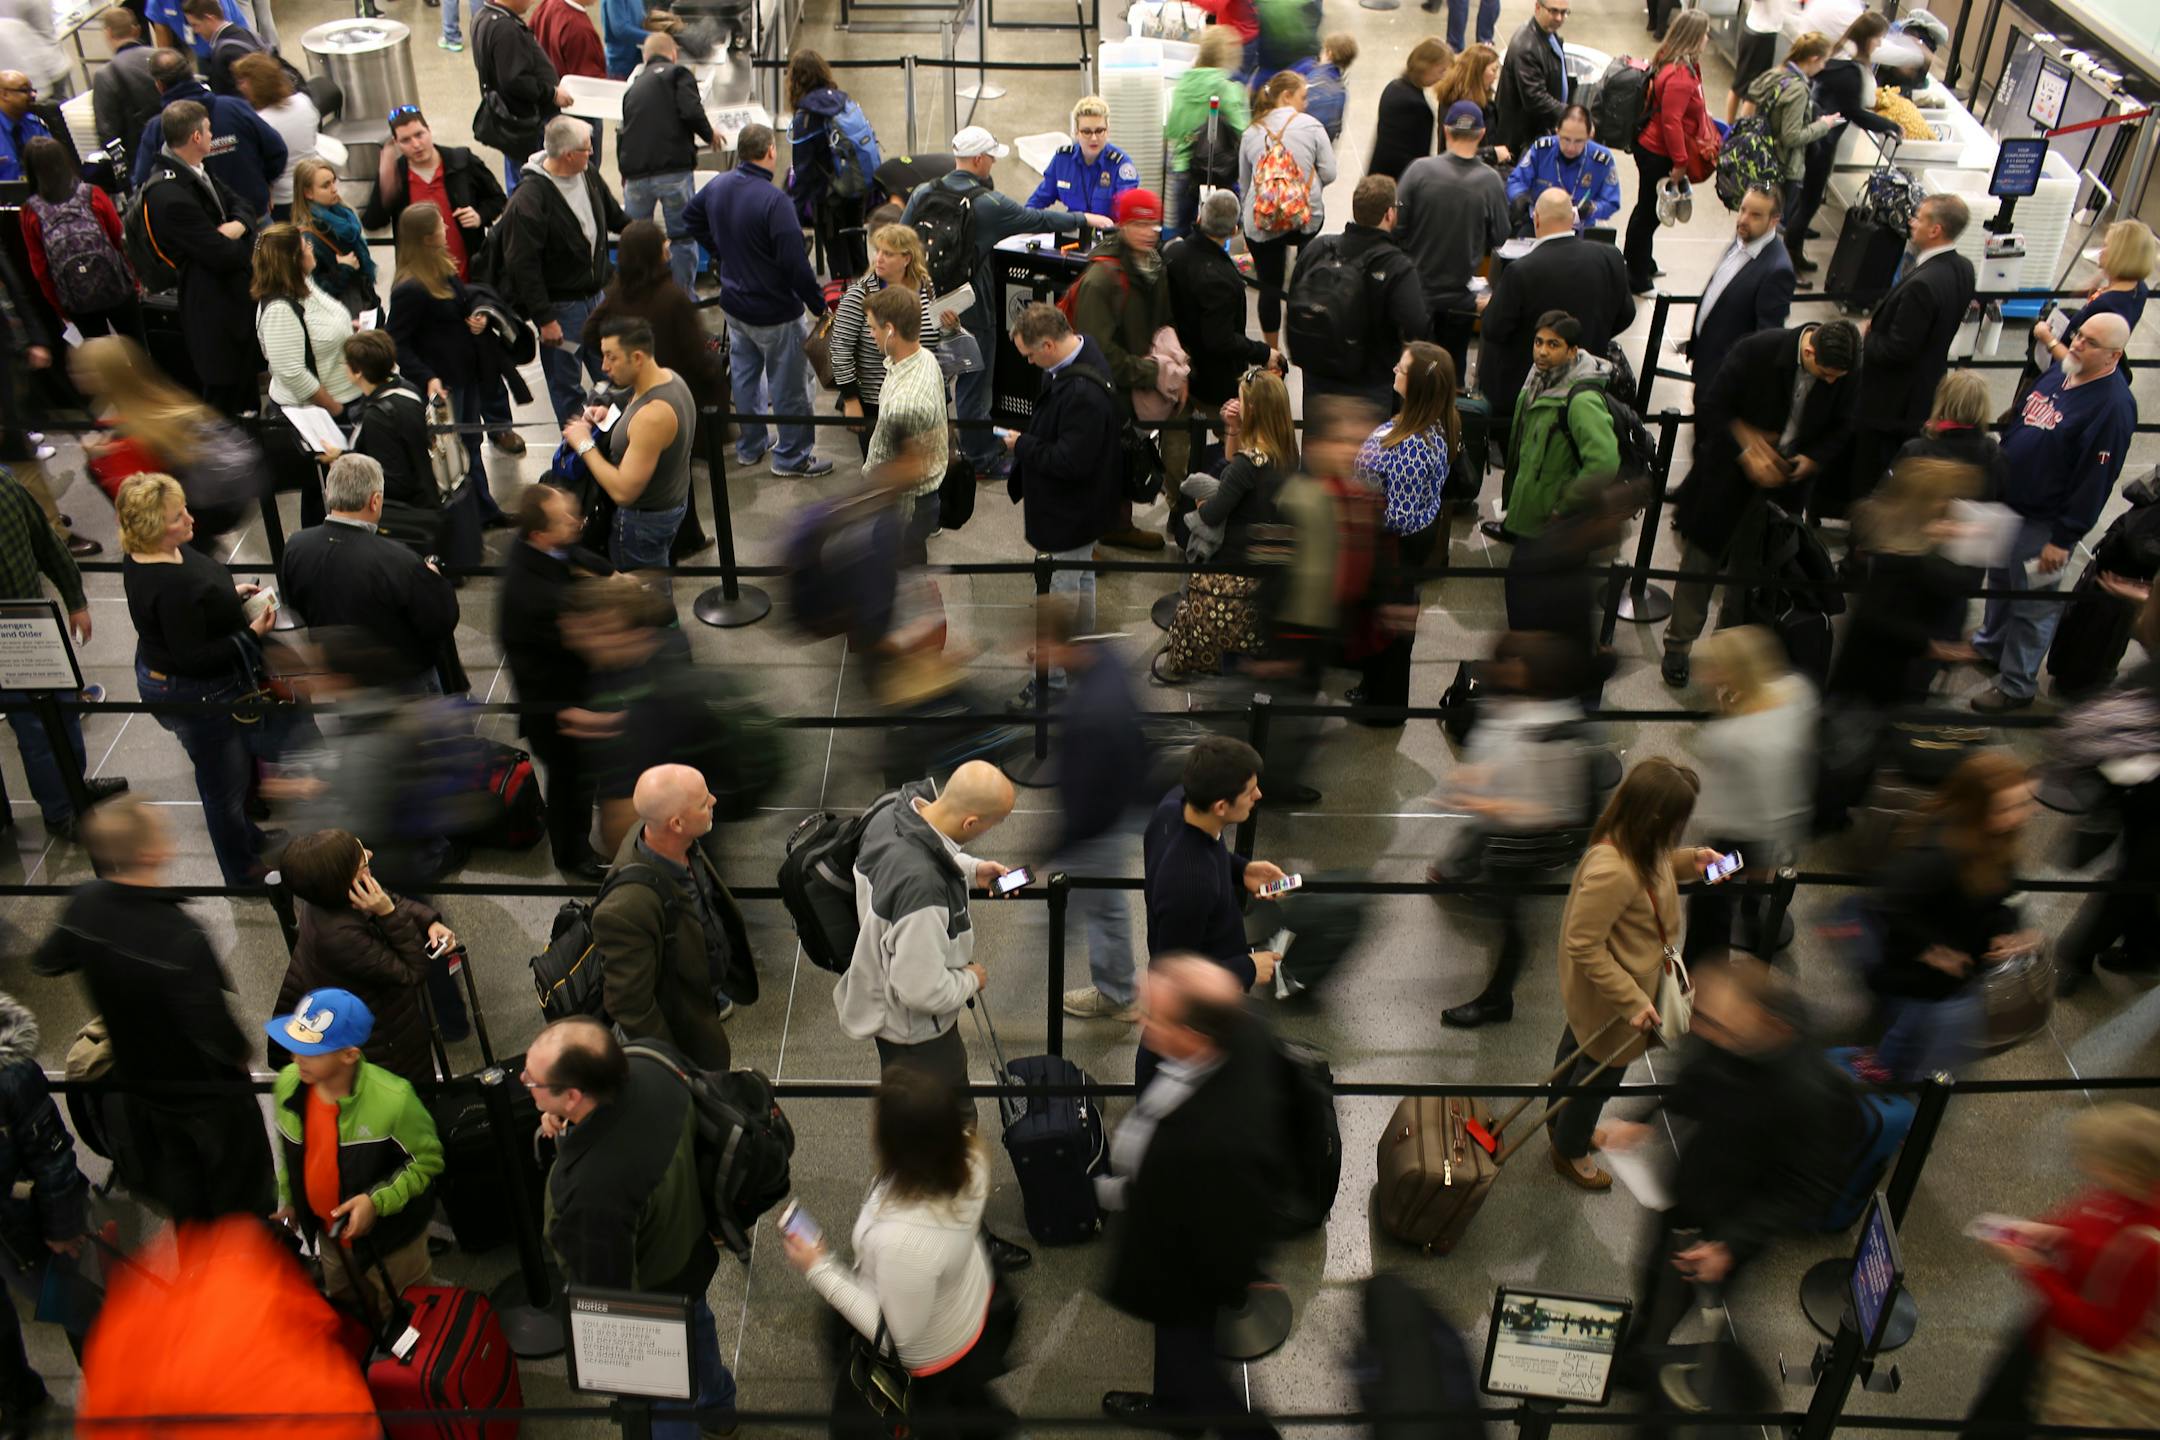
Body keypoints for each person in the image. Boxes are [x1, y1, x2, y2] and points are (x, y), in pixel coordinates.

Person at [1599, 957, 1848, 1409]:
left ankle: (1644, 1363)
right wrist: (1645, 1121)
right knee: (1655, 1276)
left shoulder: (1809, 1092)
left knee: (1674, 1293)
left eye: (1718, 1028)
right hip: (1695, 1188)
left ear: (1767, 1022)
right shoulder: (1733, 1033)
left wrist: (1730, 1244)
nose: (1706, 1035)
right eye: (1704, 1023)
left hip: (1730, 1219)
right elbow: (1697, 1079)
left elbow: (1807, 1189)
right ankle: (1642, 1341)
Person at [35, 793, 276, 1218]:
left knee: (184, 1189)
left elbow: (48, 961)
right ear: (149, 852)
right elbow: (214, 1030)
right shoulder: (179, 933)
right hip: (205, 1094)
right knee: (244, 1189)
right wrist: (241, 1056)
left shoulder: (86, 903)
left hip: (139, 1083)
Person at [1098, 955, 1288, 1437]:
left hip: (1190, 1269)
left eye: (1155, 1016)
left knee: (1196, 1365)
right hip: (1193, 1250)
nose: (1143, 1021)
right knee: (1184, 1350)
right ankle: (1174, 1407)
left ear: (1193, 1035)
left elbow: (1211, 1225)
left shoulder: (1203, 1145)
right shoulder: (1241, 1036)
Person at [525, 1018, 739, 1439]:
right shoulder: (653, 1061)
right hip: (690, 1249)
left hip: (652, 1297)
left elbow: (605, 1292)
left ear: (572, 1096)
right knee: (700, 1336)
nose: (523, 1081)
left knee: (664, 1403)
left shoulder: (587, 1191)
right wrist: (569, 1128)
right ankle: (720, 1409)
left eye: (532, 1080)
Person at [783, 1064, 1019, 1438]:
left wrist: (819, 1268)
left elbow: (898, 1338)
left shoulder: (906, 1242)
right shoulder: (970, 1157)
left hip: (931, 1352)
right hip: (966, 1305)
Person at [1548, 756, 1717, 1190]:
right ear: (1658, 815)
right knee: (1596, 1081)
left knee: (1577, 1053)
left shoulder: (1636, 840)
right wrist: (1633, 1001)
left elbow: (1657, 867)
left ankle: (1559, 1121)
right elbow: (1583, 943)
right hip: (1616, 1004)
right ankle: (1571, 1149)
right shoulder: (1615, 871)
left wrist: (1692, 861)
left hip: (1605, 1000)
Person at [1662, 320, 1859, 686]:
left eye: (1838, 377)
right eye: (1826, 374)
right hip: (1726, 481)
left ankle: (1729, 652)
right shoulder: (1757, 350)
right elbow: (1712, 406)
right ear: (1810, 351)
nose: (1832, 382)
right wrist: (1747, 446)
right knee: (1700, 565)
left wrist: (1811, 459)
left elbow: (1843, 426)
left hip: (1783, 492)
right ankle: (1678, 645)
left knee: (1753, 576)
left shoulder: (1845, 371)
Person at [898, 126, 1093, 479]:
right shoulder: (988, 204)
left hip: (928, 302)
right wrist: (1083, 219)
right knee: (974, 383)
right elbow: (1037, 220)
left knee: (936, 375)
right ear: (978, 159)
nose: (992, 164)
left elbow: (902, 239)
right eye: (990, 158)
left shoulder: (924, 192)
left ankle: (934, 446)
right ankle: (980, 457)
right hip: (973, 307)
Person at [117, 475, 280, 883]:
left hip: (173, 675)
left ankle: (249, 840)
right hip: (198, 694)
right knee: (223, 787)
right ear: (155, 530)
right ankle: (242, 871)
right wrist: (251, 635)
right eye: (177, 517)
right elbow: (195, 657)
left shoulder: (152, 553)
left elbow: (196, 602)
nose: (190, 519)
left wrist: (228, 593)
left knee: (230, 779)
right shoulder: (171, 586)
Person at [1973, 311, 2137, 712]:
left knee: (2033, 604)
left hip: (2045, 524)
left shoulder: (2112, 408)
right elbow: (2024, 416)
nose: (2077, 343)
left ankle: (2017, 685)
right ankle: (1991, 646)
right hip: (2011, 504)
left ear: (2114, 355)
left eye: (2090, 342)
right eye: (2079, 334)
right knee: (2000, 583)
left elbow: (2095, 481)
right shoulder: (2062, 371)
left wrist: (2064, 539)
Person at [1964, 1103, 2160, 1434]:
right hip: (2044, 1330)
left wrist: (2034, 1269)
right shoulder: (2120, 1193)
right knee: (1990, 1409)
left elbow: (2106, 1335)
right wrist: (2048, 1233)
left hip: (2064, 1360)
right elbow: (2088, 1222)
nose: (2084, 1164)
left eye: (2097, 1161)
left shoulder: (2148, 1247)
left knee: (2005, 1421)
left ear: (2128, 1172)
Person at [1430, 632, 1593, 1027]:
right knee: (1486, 876)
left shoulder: (1558, 731)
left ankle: (1497, 1000)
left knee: (1512, 918)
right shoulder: (1516, 701)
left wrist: (1486, 802)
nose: (1502, 671)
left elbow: (1558, 809)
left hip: (1525, 842)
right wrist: (1478, 776)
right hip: (1497, 827)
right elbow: (1503, 749)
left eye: (1513, 664)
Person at [833, 760, 1019, 1097]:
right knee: (946, 1119)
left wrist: (970, 870)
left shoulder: (892, 811)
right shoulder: (924, 892)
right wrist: (970, 979)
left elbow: (920, 851)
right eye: (994, 824)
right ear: (971, 822)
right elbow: (920, 990)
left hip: (882, 994)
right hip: (916, 1035)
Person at [265, 987, 444, 1317]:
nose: (295, 1057)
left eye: (311, 1050)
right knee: (349, 1309)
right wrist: (291, 1200)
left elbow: (427, 1161)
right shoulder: (289, 1084)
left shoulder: (394, 1099)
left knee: (408, 1313)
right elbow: (289, 1152)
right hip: (329, 1239)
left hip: (393, 1245)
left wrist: (374, 1202)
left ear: (349, 1055)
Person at [1867, 752, 2037, 1079]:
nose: (2018, 817)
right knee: (1909, 1031)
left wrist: (2007, 929)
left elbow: (2001, 897)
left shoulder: (1996, 840)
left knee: (1917, 1029)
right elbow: (1891, 905)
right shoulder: (1938, 855)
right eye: (2005, 808)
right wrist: (1932, 951)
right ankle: (1888, 1078)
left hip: (1960, 966)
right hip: (1922, 975)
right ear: (1975, 807)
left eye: (2022, 805)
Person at [686, 124, 832, 477]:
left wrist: (721, 252)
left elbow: (690, 216)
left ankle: (751, 446)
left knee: (746, 378)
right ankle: (792, 458)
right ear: (770, 151)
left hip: (735, 307)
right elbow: (796, 264)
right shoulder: (775, 202)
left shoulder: (718, 185)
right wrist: (818, 305)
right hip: (775, 313)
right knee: (790, 387)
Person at [1003, 302, 1122, 707]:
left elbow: (1070, 461)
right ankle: (1081, 656)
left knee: (1059, 591)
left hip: (1069, 512)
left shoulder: (1081, 393)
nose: (1031, 362)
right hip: (1086, 509)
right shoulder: (1085, 356)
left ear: (1049, 344)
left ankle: (1051, 682)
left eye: (1031, 354)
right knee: (1081, 580)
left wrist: (1023, 445)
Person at [0, 465, 126, 842]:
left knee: (63, 709)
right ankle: (58, 812)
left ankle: (74, 787)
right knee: (34, 729)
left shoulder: (6, 485)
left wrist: (75, 599)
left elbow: (45, 542)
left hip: (32, 628)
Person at [270, 829, 455, 1087]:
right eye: (363, 862)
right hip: (386, 1048)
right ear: (341, 880)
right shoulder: (340, 936)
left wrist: (428, 922)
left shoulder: (328, 897)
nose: (370, 854)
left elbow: (383, 897)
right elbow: (412, 971)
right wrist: (389, 914)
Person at [592, 763, 748, 1067]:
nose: (713, 801)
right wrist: (674, 1067)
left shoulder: (668, 836)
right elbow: (631, 1005)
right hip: (685, 1036)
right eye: (703, 803)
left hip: (702, 992)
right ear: (676, 824)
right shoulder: (625, 910)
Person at [1141, 738, 1289, 1041]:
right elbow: (1171, 979)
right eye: (1250, 792)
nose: (1258, 795)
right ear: (1221, 806)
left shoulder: (1176, 807)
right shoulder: (1190, 885)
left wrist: (1241, 869)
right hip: (1192, 1031)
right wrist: (1245, 969)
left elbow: (1205, 850)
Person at [1685, 625, 1817, 960]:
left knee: (1707, 898)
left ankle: (1702, 971)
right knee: (1740, 886)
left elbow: (1768, 803)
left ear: (1732, 672)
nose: (1702, 674)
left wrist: (1770, 855)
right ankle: (1753, 905)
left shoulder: (1734, 738)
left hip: (1736, 838)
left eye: (1711, 666)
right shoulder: (1797, 691)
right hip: (1769, 834)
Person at [279, 454, 462, 693]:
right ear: (375, 501)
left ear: (329, 495)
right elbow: (441, 619)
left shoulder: (296, 547)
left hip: (341, 680)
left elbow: (295, 605)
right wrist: (432, 580)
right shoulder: (399, 561)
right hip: (402, 683)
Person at [1841, 210, 1982, 519]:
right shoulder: (1962, 268)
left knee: (1870, 475)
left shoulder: (1924, 283)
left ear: (1936, 229)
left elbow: (1898, 349)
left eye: (1919, 218)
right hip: (1921, 394)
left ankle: (1863, 542)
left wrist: (1867, 335)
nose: (1911, 222)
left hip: (1890, 403)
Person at [502, 482, 610, 877]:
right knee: (571, 785)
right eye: (564, 518)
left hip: (561, 696)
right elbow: (570, 655)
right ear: (539, 534)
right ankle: (572, 854)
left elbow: (570, 553)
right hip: (558, 711)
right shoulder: (533, 596)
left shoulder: (535, 549)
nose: (575, 520)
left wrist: (606, 573)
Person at [1159, 367, 1293, 682]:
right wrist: (1233, 428)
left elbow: (1212, 514)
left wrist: (1205, 505)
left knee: (1192, 528)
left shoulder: (1249, 464)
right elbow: (1234, 469)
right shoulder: (1284, 453)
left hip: (1235, 560)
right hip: (1267, 557)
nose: (1236, 403)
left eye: (1242, 400)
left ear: (1256, 410)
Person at [1348, 343, 1456, 714]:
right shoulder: (1435, 424)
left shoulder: (1408, 444)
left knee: (1388, 627)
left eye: (1403, 367)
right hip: (1407, 540)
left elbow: (1400, 516)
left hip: (1394, 544)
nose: (1395, 368)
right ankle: (1375, 689)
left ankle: (1383, 705)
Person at [0, 989, 90, 1437]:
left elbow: (53, 1159)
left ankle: (119, 1394)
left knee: (78, 1310)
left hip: (25, 1226)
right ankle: (18, 1399)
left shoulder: (11, 1074)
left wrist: (62, 1226)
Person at [139, 100, 264, 417]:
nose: (212, 134)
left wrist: (237, 226)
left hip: (234, 296)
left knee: (246, 381)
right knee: (226, 395)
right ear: (196, 136)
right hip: (213, 307)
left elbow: (242, 204)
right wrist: (245, 237)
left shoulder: (197, 169)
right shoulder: (169, 195)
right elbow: (220, 254)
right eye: (208, 130)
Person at [71, 335, 262, 542]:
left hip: (176, 527)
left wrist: (103, 458)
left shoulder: (125, 427)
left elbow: (140, 501)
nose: (75, 375)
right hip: (198, 511)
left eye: (84, 370)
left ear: (105, 376)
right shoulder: (158, 396)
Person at [1068, 187, 1176, 555]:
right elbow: (1095, 349)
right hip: (1106, 388)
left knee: (1122, 457)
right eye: (1140, 223)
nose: (1149, 232)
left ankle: (1117, 525)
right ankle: (1085, 539)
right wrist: (1151, 373)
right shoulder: (1102, 279)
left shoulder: (1153, 266)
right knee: (1100, 463)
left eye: (1154, 224)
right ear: (1123, 225)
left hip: (1131, 385)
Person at [502, 115, 628, 423]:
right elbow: (523, 265)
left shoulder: (587, 175)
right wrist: (545, 319)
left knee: (613, 373)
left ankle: (616, 439)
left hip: (596, 297)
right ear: (568, 154)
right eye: (587, 148)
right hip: (561, 309)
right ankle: (578, 456)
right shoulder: (530, 200)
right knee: (567, 387)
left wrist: (644, 237)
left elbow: (613, 216)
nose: (593, 153)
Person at [362, 110, 512, 362]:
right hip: (427, 289)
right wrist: (385, 178)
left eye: (419, 134)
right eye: (406, 140)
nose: (416, 144)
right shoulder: (396, 174)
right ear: (396, 144)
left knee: (482, 353)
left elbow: (498, 198)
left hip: (469, 278)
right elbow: (373, 222)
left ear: (429, 130)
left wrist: (479, 215)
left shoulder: (461, 161)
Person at [1479, 188, 1633, 430]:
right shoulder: (1610, 257)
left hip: (1528, 390)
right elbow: (1626, 314)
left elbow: (1493, 329)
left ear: (1536, 219)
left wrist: (1491, 305)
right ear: (1572, 219)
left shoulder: (1521, 271)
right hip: (1588, 383)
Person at [385, 202, 496, 522]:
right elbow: (398, 342)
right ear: (426, 237)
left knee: (472, 443)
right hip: (445, 383)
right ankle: (467, 518)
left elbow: (455, 309)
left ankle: (485, 509)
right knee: (456, 454)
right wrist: (427, 377)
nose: (446, 230)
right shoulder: (410, 288)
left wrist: (472, 319)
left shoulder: (442, 269)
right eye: (440, 226)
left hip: (464, 374)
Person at [563, 314, 697, 568]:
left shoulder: (653, 416)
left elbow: (624, 491)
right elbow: (635, 407)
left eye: (611, 357)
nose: (603, 366)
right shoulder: (668, 378)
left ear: (637, 357)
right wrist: (609, 413)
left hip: (643, 522)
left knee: (643, 597)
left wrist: (584, 444)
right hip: (670, 502)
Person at [1292, 175, 1429, 406]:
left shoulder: (1318, 249)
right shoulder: (1396, 265)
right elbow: (1416, 324)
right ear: (1389, 214)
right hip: (1370, 385)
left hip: (1318, 377)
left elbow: (1295, 295)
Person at [1786, 13, 1903, 278]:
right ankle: (1790, 260)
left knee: (1803, 200)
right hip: (1822, 141)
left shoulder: (1837, 58)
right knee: (1808, 204)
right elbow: (1854, 112)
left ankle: (1794, 252)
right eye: (1879, 39)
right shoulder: (1852, 71)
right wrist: (1891, 126)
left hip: (1813, 134)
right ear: (1869, 39)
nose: (1880, 44)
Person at [1397, 101, 1508, 373]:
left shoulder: (1418, 171)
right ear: (1481, 134)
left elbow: (1396, 225)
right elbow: (1501, 237)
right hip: (1460, 300)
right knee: (1450, 372)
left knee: (1412, 371)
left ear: (1446, 131)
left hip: (1416, 294)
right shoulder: (1490, 181)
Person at [1492, 310, 1620, 544]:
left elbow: (1604, 462)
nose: (1542, 351)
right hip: (1532, 497)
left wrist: (1565, 505)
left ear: (1572, 351)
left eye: (1553, 345)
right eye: (1538, 342)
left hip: (1550, 517)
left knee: (1523, 577)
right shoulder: (1540, 375)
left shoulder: (1581, 400)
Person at [1239, 71, 1337, 350]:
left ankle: (1273, 353)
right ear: (1286, 96)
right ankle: (1303, 342)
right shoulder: (1312, 126)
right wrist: (1304, 182)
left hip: (1262, 222)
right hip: (1306, 218)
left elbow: (1246, 184)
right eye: (1303, 96)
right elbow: (1330, 173)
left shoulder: (1252, 131)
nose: (1306, 103)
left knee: (1269, 285)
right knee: (1303, 280)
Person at [131, 49, 287, 224]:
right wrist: (264, 184)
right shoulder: (235, 108)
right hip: (254, 218)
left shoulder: (157, 130)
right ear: (191, 73)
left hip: (204, 234)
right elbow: (277, 150)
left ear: (159, 85)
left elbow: (144, 185)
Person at [832, 221, 942, 459]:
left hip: (921, 396)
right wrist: (851, 399)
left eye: (888, 253)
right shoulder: (861, 293)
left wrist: (950, 327)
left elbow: (935, 337)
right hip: (876, 402)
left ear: (907, 258)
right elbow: (840, 348)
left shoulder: (926, 288)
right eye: (878, 251)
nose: (878, 258)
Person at [616, 33, 710, 300]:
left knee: (635, 239)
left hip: (635, 176)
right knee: (682, 237)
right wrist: (709, 134)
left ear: (645, 57)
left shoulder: (633, 86)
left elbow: (626, 129)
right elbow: (691, 111)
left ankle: (637, 296)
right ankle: (682, 298)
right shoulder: (678, 74)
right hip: (673, 171)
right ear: (673, 54)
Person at [1164, 193, 1274, 419]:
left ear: (1200, 217)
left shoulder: (1173, 252)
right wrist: (1264, 353)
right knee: (1232, 436)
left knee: (1176, 440)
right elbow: (1220, 340)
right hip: (1212, 384)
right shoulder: (1223, 278)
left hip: (1175, 370)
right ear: (1234, 230)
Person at [1626, 10, 1713, 298]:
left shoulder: (1673, 62)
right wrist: (1680, 162)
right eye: (1704, 34)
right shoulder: (1679, 76)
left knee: (1646, 210)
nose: (1707, 39)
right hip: (1658, 153)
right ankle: (1636, 277)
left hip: (1652, 147)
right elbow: (1671, 122)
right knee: (1649, 214)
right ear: (1693, 37)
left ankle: (1642, 263)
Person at [19, 138, 140, 342]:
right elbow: (121, 241)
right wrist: (135, 281)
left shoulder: (31, 212)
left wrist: (61, 308)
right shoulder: (92, 194)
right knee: (139, 351)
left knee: (100, 360)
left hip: (77, 301)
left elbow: (40, 270)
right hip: (118, 290)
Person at [1684, 185, 1798, 393]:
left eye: (1755, 215)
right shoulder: (1744, 237)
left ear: (1774, 220)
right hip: (1707, 359)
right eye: (1743, 209)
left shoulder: (1777, 271)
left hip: (1726, 377)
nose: (1744, 219)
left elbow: (1767, 340)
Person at [863, 284, 950, 555]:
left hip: (906, 511)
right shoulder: (923, 357)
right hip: (920, 503)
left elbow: (904, 482)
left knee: (896, 571)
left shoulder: (906, 404)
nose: (870, 334)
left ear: (890, 330)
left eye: (873, 328)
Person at [785, 50, 877, 279]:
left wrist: (792, 211)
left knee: (838, 257)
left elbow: (803, 170)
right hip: (856, 185)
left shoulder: (806, 116)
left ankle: (847, 308)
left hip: (829, 196)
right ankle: (868, 299)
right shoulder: (841, 99)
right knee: (857, 245)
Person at [2029, 220, 2154, 382]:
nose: (2101, 251)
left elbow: (2076, 365)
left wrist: (2047, 338)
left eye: (2106, 246)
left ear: (2120, 256)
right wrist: (2103, 275)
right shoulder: (2138, 288)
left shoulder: (2105, 307)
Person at [469, 0, 569, 189]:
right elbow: (516, 80)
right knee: (530, 180)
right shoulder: (505, 30)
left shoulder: (484, 16)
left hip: (511, 121)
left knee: (518, 171)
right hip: (524, 122)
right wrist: (552, 94)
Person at [1163, 28, 1251, 239]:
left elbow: (1173, 129)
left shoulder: (1184, 84)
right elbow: (1243, 130)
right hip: (1218, 173)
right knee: (1219, 231)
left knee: (1182, 232)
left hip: (1184, 169)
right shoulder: (1226, 88)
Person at [1745, 34, 1837, 220]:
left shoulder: (1775, 73)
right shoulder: (1797, 90)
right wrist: (1823, 125)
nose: (1823, 66)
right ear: (1813, 58)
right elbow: (1791, 136)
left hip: (1759, 157)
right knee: (1769, 221)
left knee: (1753, 214)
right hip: (1782, 167)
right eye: (1823, 61)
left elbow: (1749, 102)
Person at [1893, 370, 2009, 500]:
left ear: (1943, 402)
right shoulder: (1994, 455)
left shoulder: (1915, 450)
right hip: (1974, 519)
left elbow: (1890, 496)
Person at [1504, 105, 1621, 232]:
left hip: (1579, 229)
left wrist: (1592, 208)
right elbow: (1516, 180)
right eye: (1565, 139)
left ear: (1589, 136)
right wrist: (1521, 197)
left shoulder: (1601, 160)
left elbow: (1611, 202)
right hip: (1539, 225)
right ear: (1557, 131)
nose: (1571, 147)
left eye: (1578, 141)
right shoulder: (1541, 150)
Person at [232, 56, 320, 223]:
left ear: (259, 83)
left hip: (283, 200)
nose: (239, 86)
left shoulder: (258, 121)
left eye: (243, 81)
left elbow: (258, 165)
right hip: (313, 186)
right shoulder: (304, 101)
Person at [1028, 96, 1138, 221]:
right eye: (1086, 132)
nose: (1094, 138)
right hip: (1074, 230)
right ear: (1076, 132)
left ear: (1108, 131)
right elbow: (1038, 200)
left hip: (1109, 235)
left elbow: (1126, 215)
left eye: (1099, 131)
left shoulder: (1121, 165)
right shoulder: (1063, 161)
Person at [291, 159, 376, 313]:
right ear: (308, 193)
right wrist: (343, 268)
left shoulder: (345, 214)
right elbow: (314, 291)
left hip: (364, 299)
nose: (334, 189)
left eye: (333, 182)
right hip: (342, 312)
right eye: (325, 185)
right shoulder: (308, 237)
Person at [1493, 0, 1570, 159]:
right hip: (1523, 142)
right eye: (1553, 11)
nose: (1559, 18)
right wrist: (1570, 114)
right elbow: (1535, 99)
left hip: (1538, 131)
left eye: (1564, 12)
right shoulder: (1527, 47)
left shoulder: (1548, 34)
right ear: (1537, 7)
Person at [1366, 37, 1450, 183]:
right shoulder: (1418, 106)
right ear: (1426, 67)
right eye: (1440, 71)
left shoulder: (1393, 87)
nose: (1442, 77)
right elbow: (1418, 159)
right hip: (1399, 182)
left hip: (1377, 175)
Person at [91, 7, 163, 154]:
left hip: (141, 156)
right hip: (178, 144)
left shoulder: (105, 75)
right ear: (135, 30)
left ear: (108, 33)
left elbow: (107, 132)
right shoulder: (163, 58)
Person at [182, 0, 262, 97]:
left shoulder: (222, 54)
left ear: (210, 19)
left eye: (195, 25)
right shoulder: (246, 33)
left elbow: (226, 97)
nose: (195, 31)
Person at [1288, 32, 1357, 142]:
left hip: (1298, 134)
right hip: (1323, 140)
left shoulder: (1308, 67)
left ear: (1329, 53)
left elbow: (1284, 80)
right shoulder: (1341, 89)